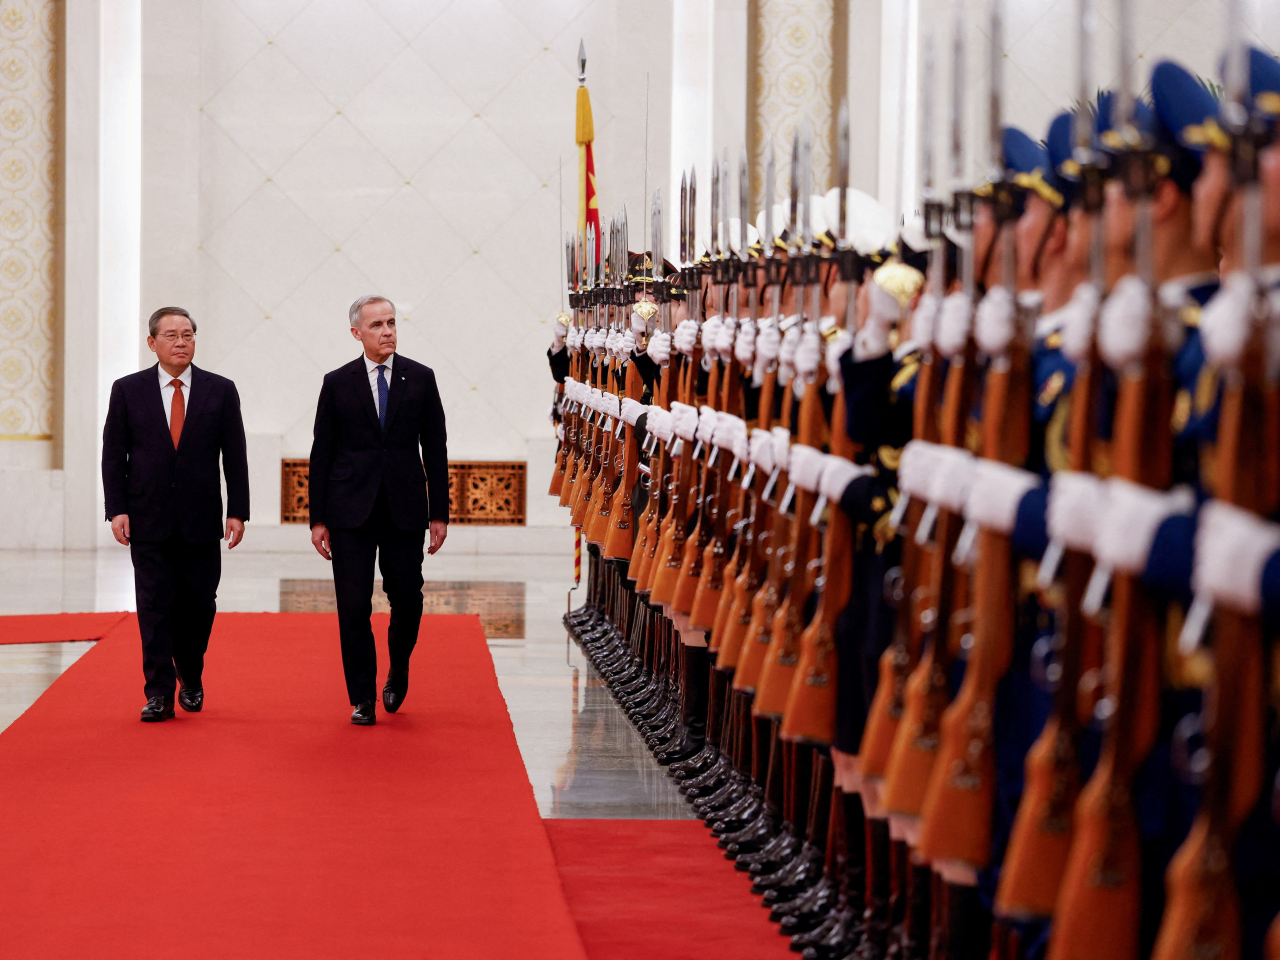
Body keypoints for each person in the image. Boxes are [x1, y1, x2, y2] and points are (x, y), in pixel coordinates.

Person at [102, 306, 250, 722]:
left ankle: (190, 669)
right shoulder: (128, 390)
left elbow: (234, 456)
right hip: (147, 516)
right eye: (171, 335)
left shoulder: (220, 390)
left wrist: (238, 510)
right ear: (152, 343)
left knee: (200, 604)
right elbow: (114, 455)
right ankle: (158, 693)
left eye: (187, 334)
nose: (181, 342)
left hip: (202, 519)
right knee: (153, 605)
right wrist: (117, 509)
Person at [308, 295, 449, 725]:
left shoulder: (420, 378)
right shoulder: (337, 382)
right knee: (353, 607)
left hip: (405, 509)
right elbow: (322, 453)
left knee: (406, 599)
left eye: (391, 323)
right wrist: (317, 519)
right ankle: (362, 697)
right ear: (357, 333)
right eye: (377, 326)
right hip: (349, 510)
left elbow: (436, 449)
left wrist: (438, 512)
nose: (387, 331)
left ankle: (399, 668)